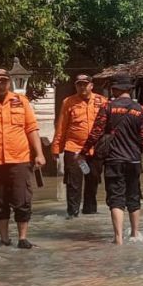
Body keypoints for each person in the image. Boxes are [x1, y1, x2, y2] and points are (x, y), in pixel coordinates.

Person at [0, 68, 47, 249]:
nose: (0, 83)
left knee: (22, 200)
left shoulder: (21, 101)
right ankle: (4, 239)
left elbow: (31, 128)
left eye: (4, 80)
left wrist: (40, 153)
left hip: (19, 159)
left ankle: (22, 238)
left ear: (9, 82)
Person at [82, 74, 143, 245]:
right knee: (134, 197)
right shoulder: (141, 110)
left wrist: (84, 152)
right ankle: (135, 234)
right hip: (134, 161)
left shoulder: (107, 108)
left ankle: (118, 239)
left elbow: (95, 133)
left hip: (113, 160)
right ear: (129, 90)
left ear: (115, 90)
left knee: (116, 199)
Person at [52, 74, 107, 218]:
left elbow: (109, 126)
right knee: (73, 183)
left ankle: (90, 212)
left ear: (91, 86)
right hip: (74, 149)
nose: (82, 87)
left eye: (85, 84)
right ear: (75, 86)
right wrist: (56, 148)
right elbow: (61, 126)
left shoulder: (102, 101)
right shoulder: (68, 102)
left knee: (93, 181)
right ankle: (73, 214)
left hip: (95, 150)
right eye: (79, 84)